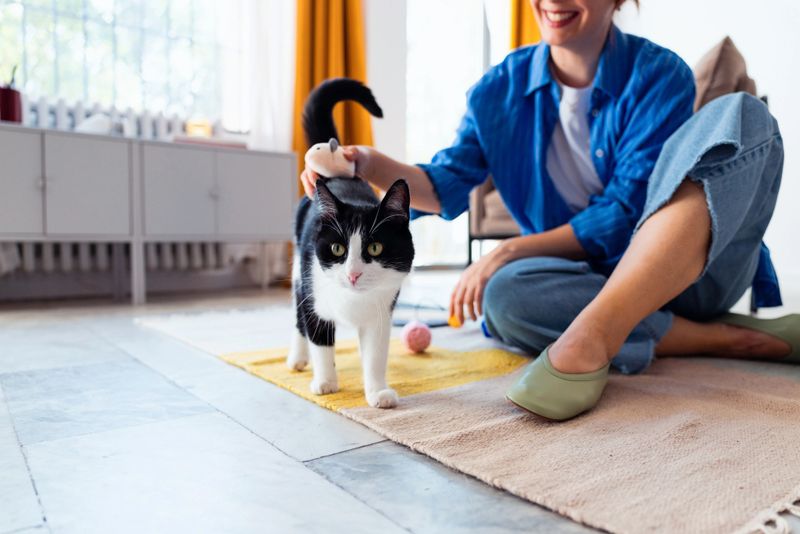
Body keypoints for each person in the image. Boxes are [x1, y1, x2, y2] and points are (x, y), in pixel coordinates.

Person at [300, 0, 798, 420]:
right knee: (505, 296)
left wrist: (509, 249)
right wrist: (363, 162)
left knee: (742, 115)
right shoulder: (499, 90)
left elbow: (623, 214)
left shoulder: (659, 74)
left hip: (690, 278)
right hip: (578, 284)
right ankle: (722, 339)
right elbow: (446, 183)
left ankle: (595, 336)